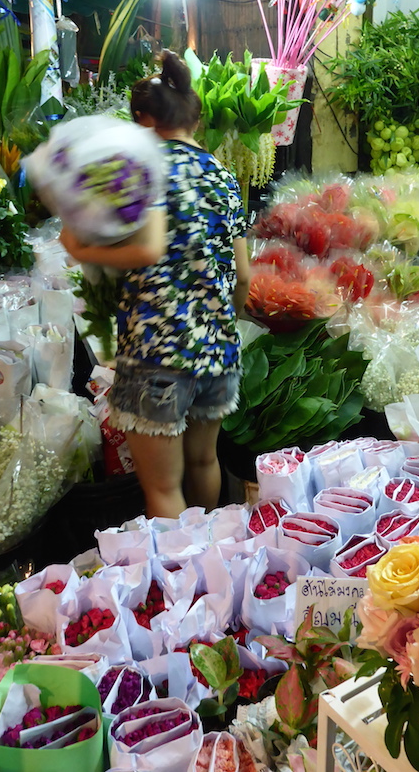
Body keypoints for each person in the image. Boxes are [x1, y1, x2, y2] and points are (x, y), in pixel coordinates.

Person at [60, 50, 251, 518]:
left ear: (144, 119)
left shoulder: (136, 170)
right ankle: (211, 565)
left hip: (155, 353)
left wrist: (82, 250)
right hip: (217, 350)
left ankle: (176, 584)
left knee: (164, 490)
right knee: (205, 460)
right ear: (195, 117)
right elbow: (243, 275)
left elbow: (115, 244)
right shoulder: (224, 178)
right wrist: (226, 320)